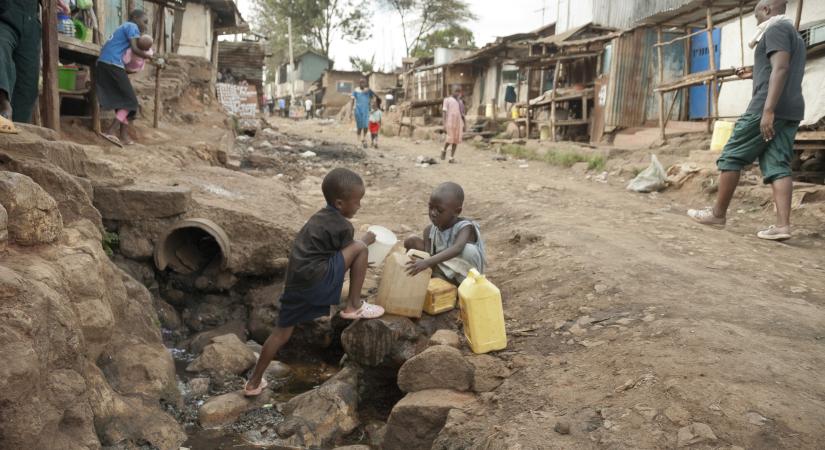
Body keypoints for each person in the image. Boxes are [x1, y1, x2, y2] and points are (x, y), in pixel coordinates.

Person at [244, 168, 385, 396]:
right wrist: (366, 240)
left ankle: (253, 382)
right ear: (340, 203)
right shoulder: (343, 226)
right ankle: (354, 306)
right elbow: (351, 252)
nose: (359, 206)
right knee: (360, 247)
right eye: (357, 201)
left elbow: (336, 255)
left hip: (296, 282)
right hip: (317, 277)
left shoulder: (318, 217)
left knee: (281, 333)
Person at [688, 0, 805, 241]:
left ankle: (718, 214)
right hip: (791, 109)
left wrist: (768, 110)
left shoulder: (775, 29)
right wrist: (754, 71)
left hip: (767, 107)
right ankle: (783, 227)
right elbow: (779, 67)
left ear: (766, 10)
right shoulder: (793, 33)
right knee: (777, 164)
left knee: (732, 155)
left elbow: (781, 69)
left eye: (756, 18)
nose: (758, 23)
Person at [404, 182, 486, 285]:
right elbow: (429, 256)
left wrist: (426, 262)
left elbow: (457, 248)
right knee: (412, 241)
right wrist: (425, 262)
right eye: (430, 207)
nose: (433, 213)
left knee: (468, 250)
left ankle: (466, 288)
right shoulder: (430, 231)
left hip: (464, 274)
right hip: (441, 271)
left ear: (457, 211)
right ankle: (421, 281)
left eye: (439, 210)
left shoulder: (465, 228)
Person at [96, 9, 152, 146]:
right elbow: (134, 48)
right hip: (112, 63)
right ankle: (110, 131)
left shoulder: (123, 28)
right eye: (144, 21)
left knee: (123, 101)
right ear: (134, 17)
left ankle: (123, 136)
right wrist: (149, 57)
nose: (145, 26)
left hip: (105, 63)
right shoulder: (131, 26)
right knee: (130, 101)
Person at [0, 0, 43, 132]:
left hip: (30, 18)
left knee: (27, 85)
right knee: (1, 47)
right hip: (5, 11)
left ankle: (15, 132)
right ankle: (2, 105)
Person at [442, 86, 466, 163]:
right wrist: (444, 123)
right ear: (452, 91)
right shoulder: (447, 100)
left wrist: (465, 124)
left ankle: (451, 158)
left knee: (456, 140)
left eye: (459, 91)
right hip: (450, 122)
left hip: (458, 123)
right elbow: (444, 112)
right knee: (450, 138)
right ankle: (444, 150)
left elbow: (462, 114)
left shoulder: (460, 102)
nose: (457, 93)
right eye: (456, 91)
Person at [351, 78, 374, 148]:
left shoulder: (368, 91)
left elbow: (372, 98)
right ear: (359, 83)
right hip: (358, 110)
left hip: (366, 110)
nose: (362, 84)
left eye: (364, 83)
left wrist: (371, 107)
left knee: (366, 125)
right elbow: (352, 100)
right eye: (361, 83)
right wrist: (351, 110)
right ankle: (358, 140)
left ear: (366, 83)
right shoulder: (356, 90)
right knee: (359, 126)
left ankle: (364, 139)